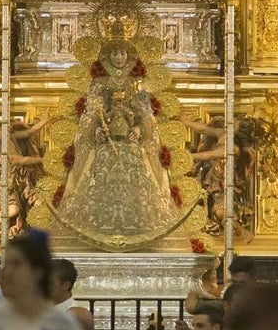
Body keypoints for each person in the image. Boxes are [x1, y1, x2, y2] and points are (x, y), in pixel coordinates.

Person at [56, 39, 184, 247]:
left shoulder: (137, 84)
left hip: (132, 145)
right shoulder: (99, 84)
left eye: (122, 53)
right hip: (105, 144)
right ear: (106, 57)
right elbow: (90, 116)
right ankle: (97, 225)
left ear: (129, 57)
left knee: (137, 171)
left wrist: (138, 129)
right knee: (100, 167)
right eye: (114, 53)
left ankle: (139, 224)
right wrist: (96, 129)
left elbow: (145, 117)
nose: (118, 58)